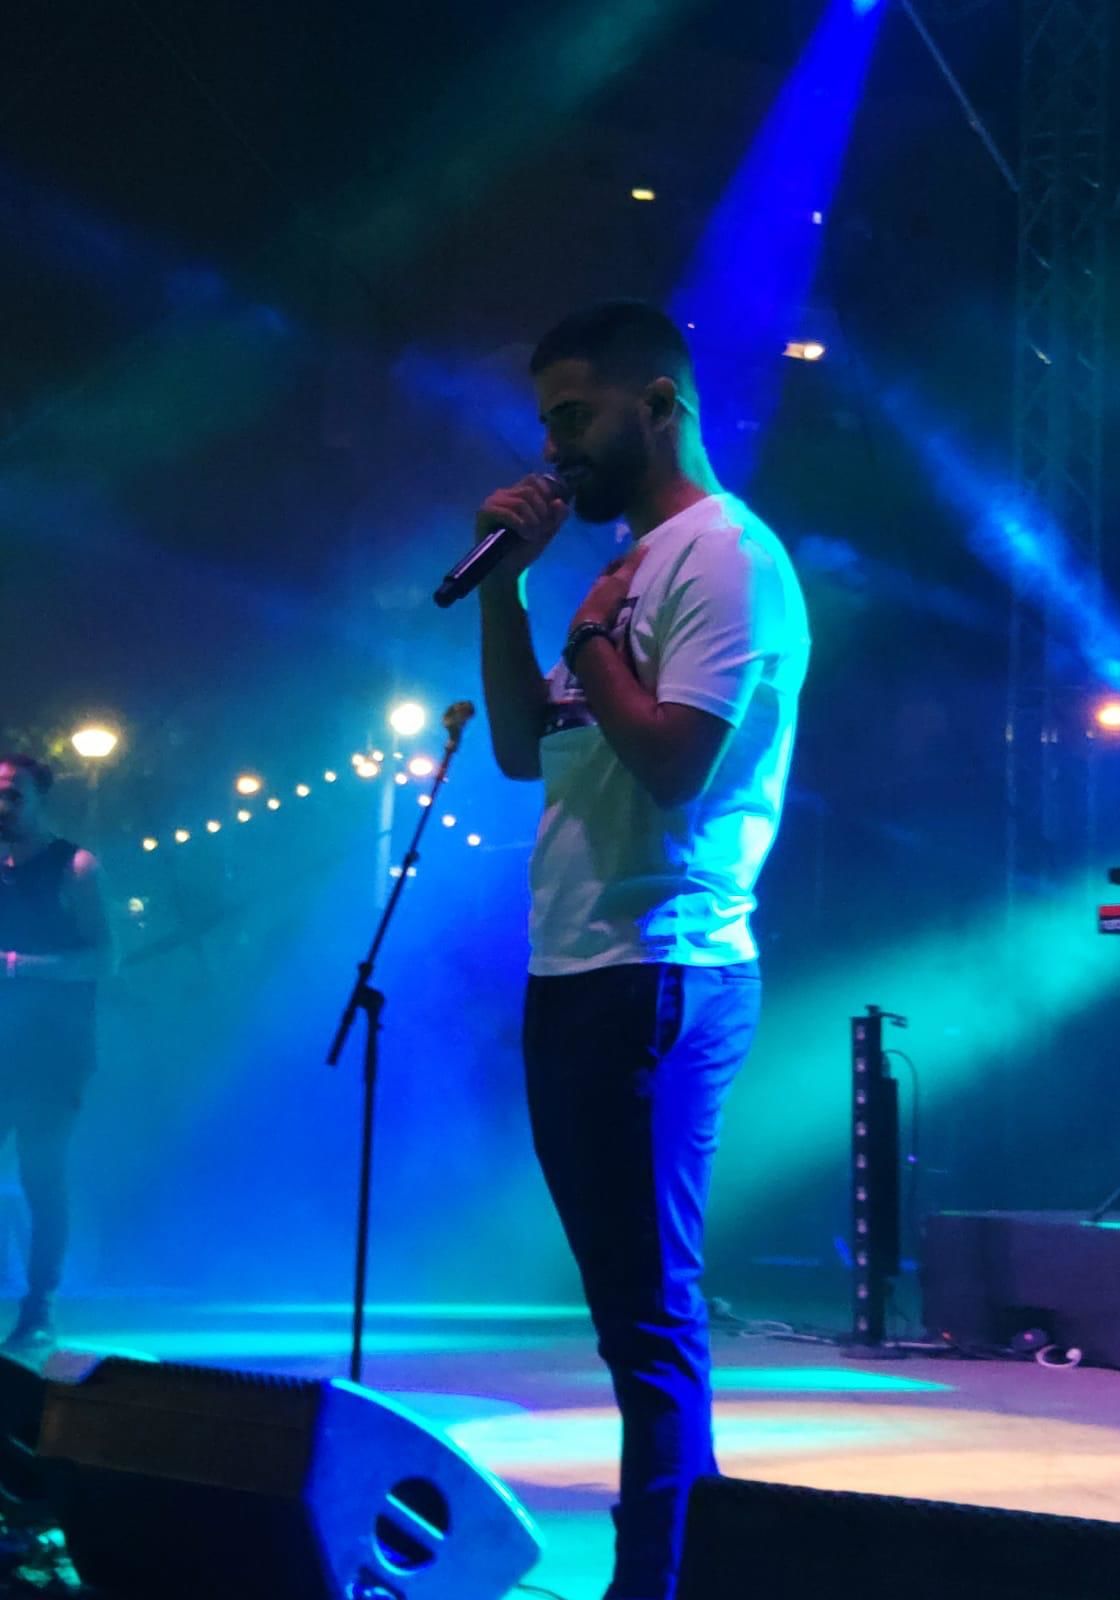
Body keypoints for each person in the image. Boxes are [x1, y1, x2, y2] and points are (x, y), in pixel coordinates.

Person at [475, 301, 809, 1600]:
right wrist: (507, 589)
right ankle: (685, 1568)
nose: (554, 449)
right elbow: (524, 748)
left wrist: (591, 638)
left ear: (659, 403)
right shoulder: (627, 566)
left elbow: (674, 763)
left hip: (662, 966)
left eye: (574, 417)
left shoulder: (723, 557)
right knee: (630, 1314)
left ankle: (656, 1582)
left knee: (652, 1316)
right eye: (546, 422)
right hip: (579, 967)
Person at [0, 754, 113, 1351]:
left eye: (14, 794)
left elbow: (104, 957)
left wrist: (17, 966)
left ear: (39, 798)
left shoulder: (74, 865)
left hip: (53, 1051)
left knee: (42, 1176)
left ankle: (39, 1305)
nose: (2, 805)